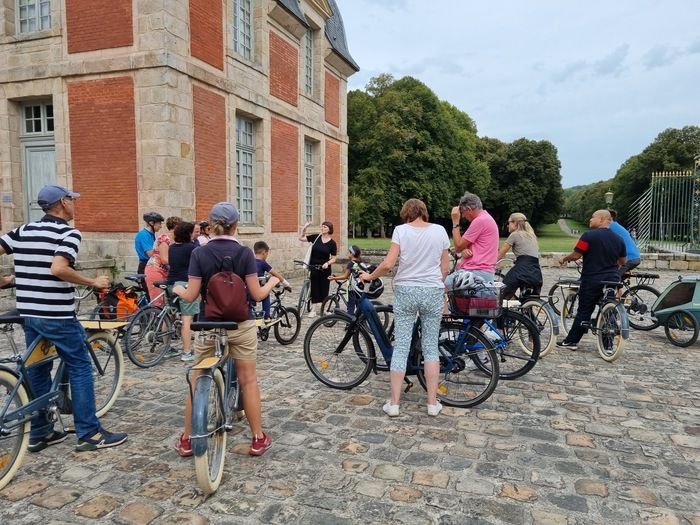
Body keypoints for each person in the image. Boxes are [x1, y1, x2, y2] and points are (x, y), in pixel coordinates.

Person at [0, 184, 127, 452]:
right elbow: (59, 268)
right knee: (80, 366)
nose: (75, 203)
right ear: (62, 203)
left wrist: (7, 280)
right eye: (72, 199)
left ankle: (41, 431)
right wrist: (92, 280)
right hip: (56, 314)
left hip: (29, 314)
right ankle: (90, 433)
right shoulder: (68, 233)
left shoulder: (23, 230)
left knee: (38, 368)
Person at [173, 202, 279, 457]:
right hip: (240, 324)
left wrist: (176, 289)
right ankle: (257, 438)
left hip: (208, 323)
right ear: (235, 225)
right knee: (248, 380)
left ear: (210, 225)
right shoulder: (244, 254)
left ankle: (187, 440)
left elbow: (191, 296)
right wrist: (273, 282)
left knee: (197, 379)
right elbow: (255, 294)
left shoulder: (200, 253)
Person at [360, 199, 450, 417]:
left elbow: (389, 264)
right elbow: (445, 268)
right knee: (430, 347)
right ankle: (431, 403)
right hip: (432, 291)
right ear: (424, 212)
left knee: (401, 346)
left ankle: (394, 404)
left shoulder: (401, 231)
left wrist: (370, 276)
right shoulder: (440, 231)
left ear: (406, 213)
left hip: (406, 291)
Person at [557, 209, 626, 350]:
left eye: (593, 217)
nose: (590, 219)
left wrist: (564, 258)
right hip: (612, 279)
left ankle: (571, 341)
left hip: (593, 278)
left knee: (584, 311)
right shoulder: (619, 238)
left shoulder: (588, 236)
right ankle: (608, 345)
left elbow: (576, 255)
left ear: (602, 219)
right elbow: (623, 261)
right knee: (609, 309)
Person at [167, 222, 200, 362]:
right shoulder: (192, 249)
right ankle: (186, 352)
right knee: (187, 319)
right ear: (188, 233)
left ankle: (166, 348)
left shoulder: (171, 248)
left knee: (169, 315)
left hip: (170, 284)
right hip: (185, 284)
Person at [450, 192, 499, 282]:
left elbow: (457, 247)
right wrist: (464, 248)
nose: (463, 216)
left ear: (468, 209)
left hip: (476, 271)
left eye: (463, 213)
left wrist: (455, 222)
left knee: (442, 285)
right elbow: (466, 244)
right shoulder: (486, 218)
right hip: (483, 271)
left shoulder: (480, 221)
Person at [497, 212, 543, 298]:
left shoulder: (514, 235)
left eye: (509, 222)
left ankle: (503, 310)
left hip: (521, 270)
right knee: (528, 301)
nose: (508, 225)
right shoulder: (531, 235)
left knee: (502, 292)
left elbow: (500, 254)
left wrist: (489, 264)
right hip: (535, 272)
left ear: (515, 223)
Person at [298, 220, 337, 317]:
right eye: (322, 226)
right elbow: (301, 238)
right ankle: (313, 309)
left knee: (324, 288)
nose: (322, 228)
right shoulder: (316, 237)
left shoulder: (332, 243)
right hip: (313, 266)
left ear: (329, 230)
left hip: (325, 268)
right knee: (314, 287)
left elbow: (334, 258)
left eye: (325, 227)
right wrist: (305, 227)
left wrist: (327, 263)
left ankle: (324, 308)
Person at [145, 216, 181, 307]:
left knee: (167, 302)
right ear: (176, 227)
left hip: (165, 271)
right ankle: (156, 320)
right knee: (158, 302)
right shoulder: (164, 238)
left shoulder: (176, 240)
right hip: (155, 269)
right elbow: (164, 260)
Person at [253, 241, 291, 321]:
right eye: (267, 253)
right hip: (257, 291)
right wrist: (286, 284)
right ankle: (267, 317)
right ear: (264, 252)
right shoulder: (263, 263)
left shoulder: (251, 261)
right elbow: (276, 274)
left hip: (249, 290)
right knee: (266, 295)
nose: (267, 256)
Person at [134, 212, 164, 299]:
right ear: (151, 223)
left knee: (151, 295)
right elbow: (150, 253)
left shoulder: (151, 234)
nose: (160, 226)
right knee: (150, 296)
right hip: (145, 266)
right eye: (159, 223)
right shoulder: (144, 235)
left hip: (150, 265)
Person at [328, 245, 363, 315]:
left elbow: (345, 276)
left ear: (352, 254)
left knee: (350, 306)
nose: (347, 253)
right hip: (360, 287)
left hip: (353, 288)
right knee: (359, 304)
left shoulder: (351, 263)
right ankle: (360, 320)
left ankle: (349, 324)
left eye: (348, 252)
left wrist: (334, 278)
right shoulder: (359, 262)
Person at [609, 209, 641, 279]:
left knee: (612, 279)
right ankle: (619, 289)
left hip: (628, 259)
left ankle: (618, 288)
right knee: (616, 280)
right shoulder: (618, 226)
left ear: (610, 218)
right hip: (635, 257)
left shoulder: (609, 227)